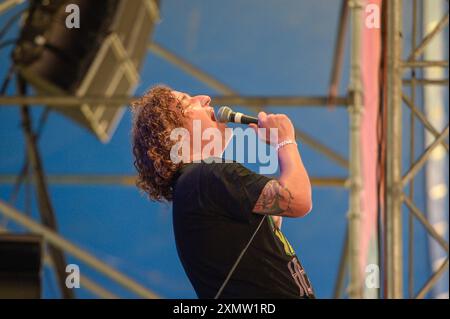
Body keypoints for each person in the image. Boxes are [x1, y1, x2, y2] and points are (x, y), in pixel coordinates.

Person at [131, 85, 315, 298]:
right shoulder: (207, 175)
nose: (205, 98)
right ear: (171, 132)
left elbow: (264, 225)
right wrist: (285, 141)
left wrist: (276, 146)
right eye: (186, 100)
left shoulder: (195, 187)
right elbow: (299, 200)